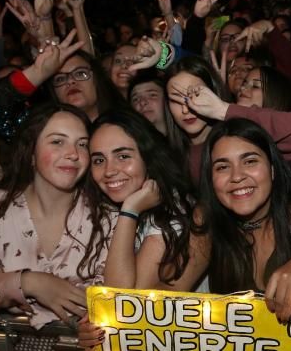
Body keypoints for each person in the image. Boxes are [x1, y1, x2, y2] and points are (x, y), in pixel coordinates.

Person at [0, 104, 105, 329]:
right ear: (31, 152)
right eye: (57, 141)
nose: (73, 153)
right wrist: (27, 283)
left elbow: (115, 298)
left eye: (83, 144)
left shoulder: (106, 213)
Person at [195, 118, 291, 322]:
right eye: (222, 167)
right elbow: (161, 296)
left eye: (250, 161)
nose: (237, 176)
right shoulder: (208, 219)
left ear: (272, 169)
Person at [85, 110, 208, 291]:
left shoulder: (174, 210)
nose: (109, 170)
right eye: (99, 160)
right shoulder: (100, 208)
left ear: (148, 157)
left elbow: (121, 298)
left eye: (123, 156)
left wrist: (130, 210)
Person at [163, 57, 291, 183]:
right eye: (175, 100)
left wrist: (221, 109)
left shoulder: (240, 137)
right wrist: (163, 55)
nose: (185, 109)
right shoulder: (169, 156)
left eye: (194, 94)